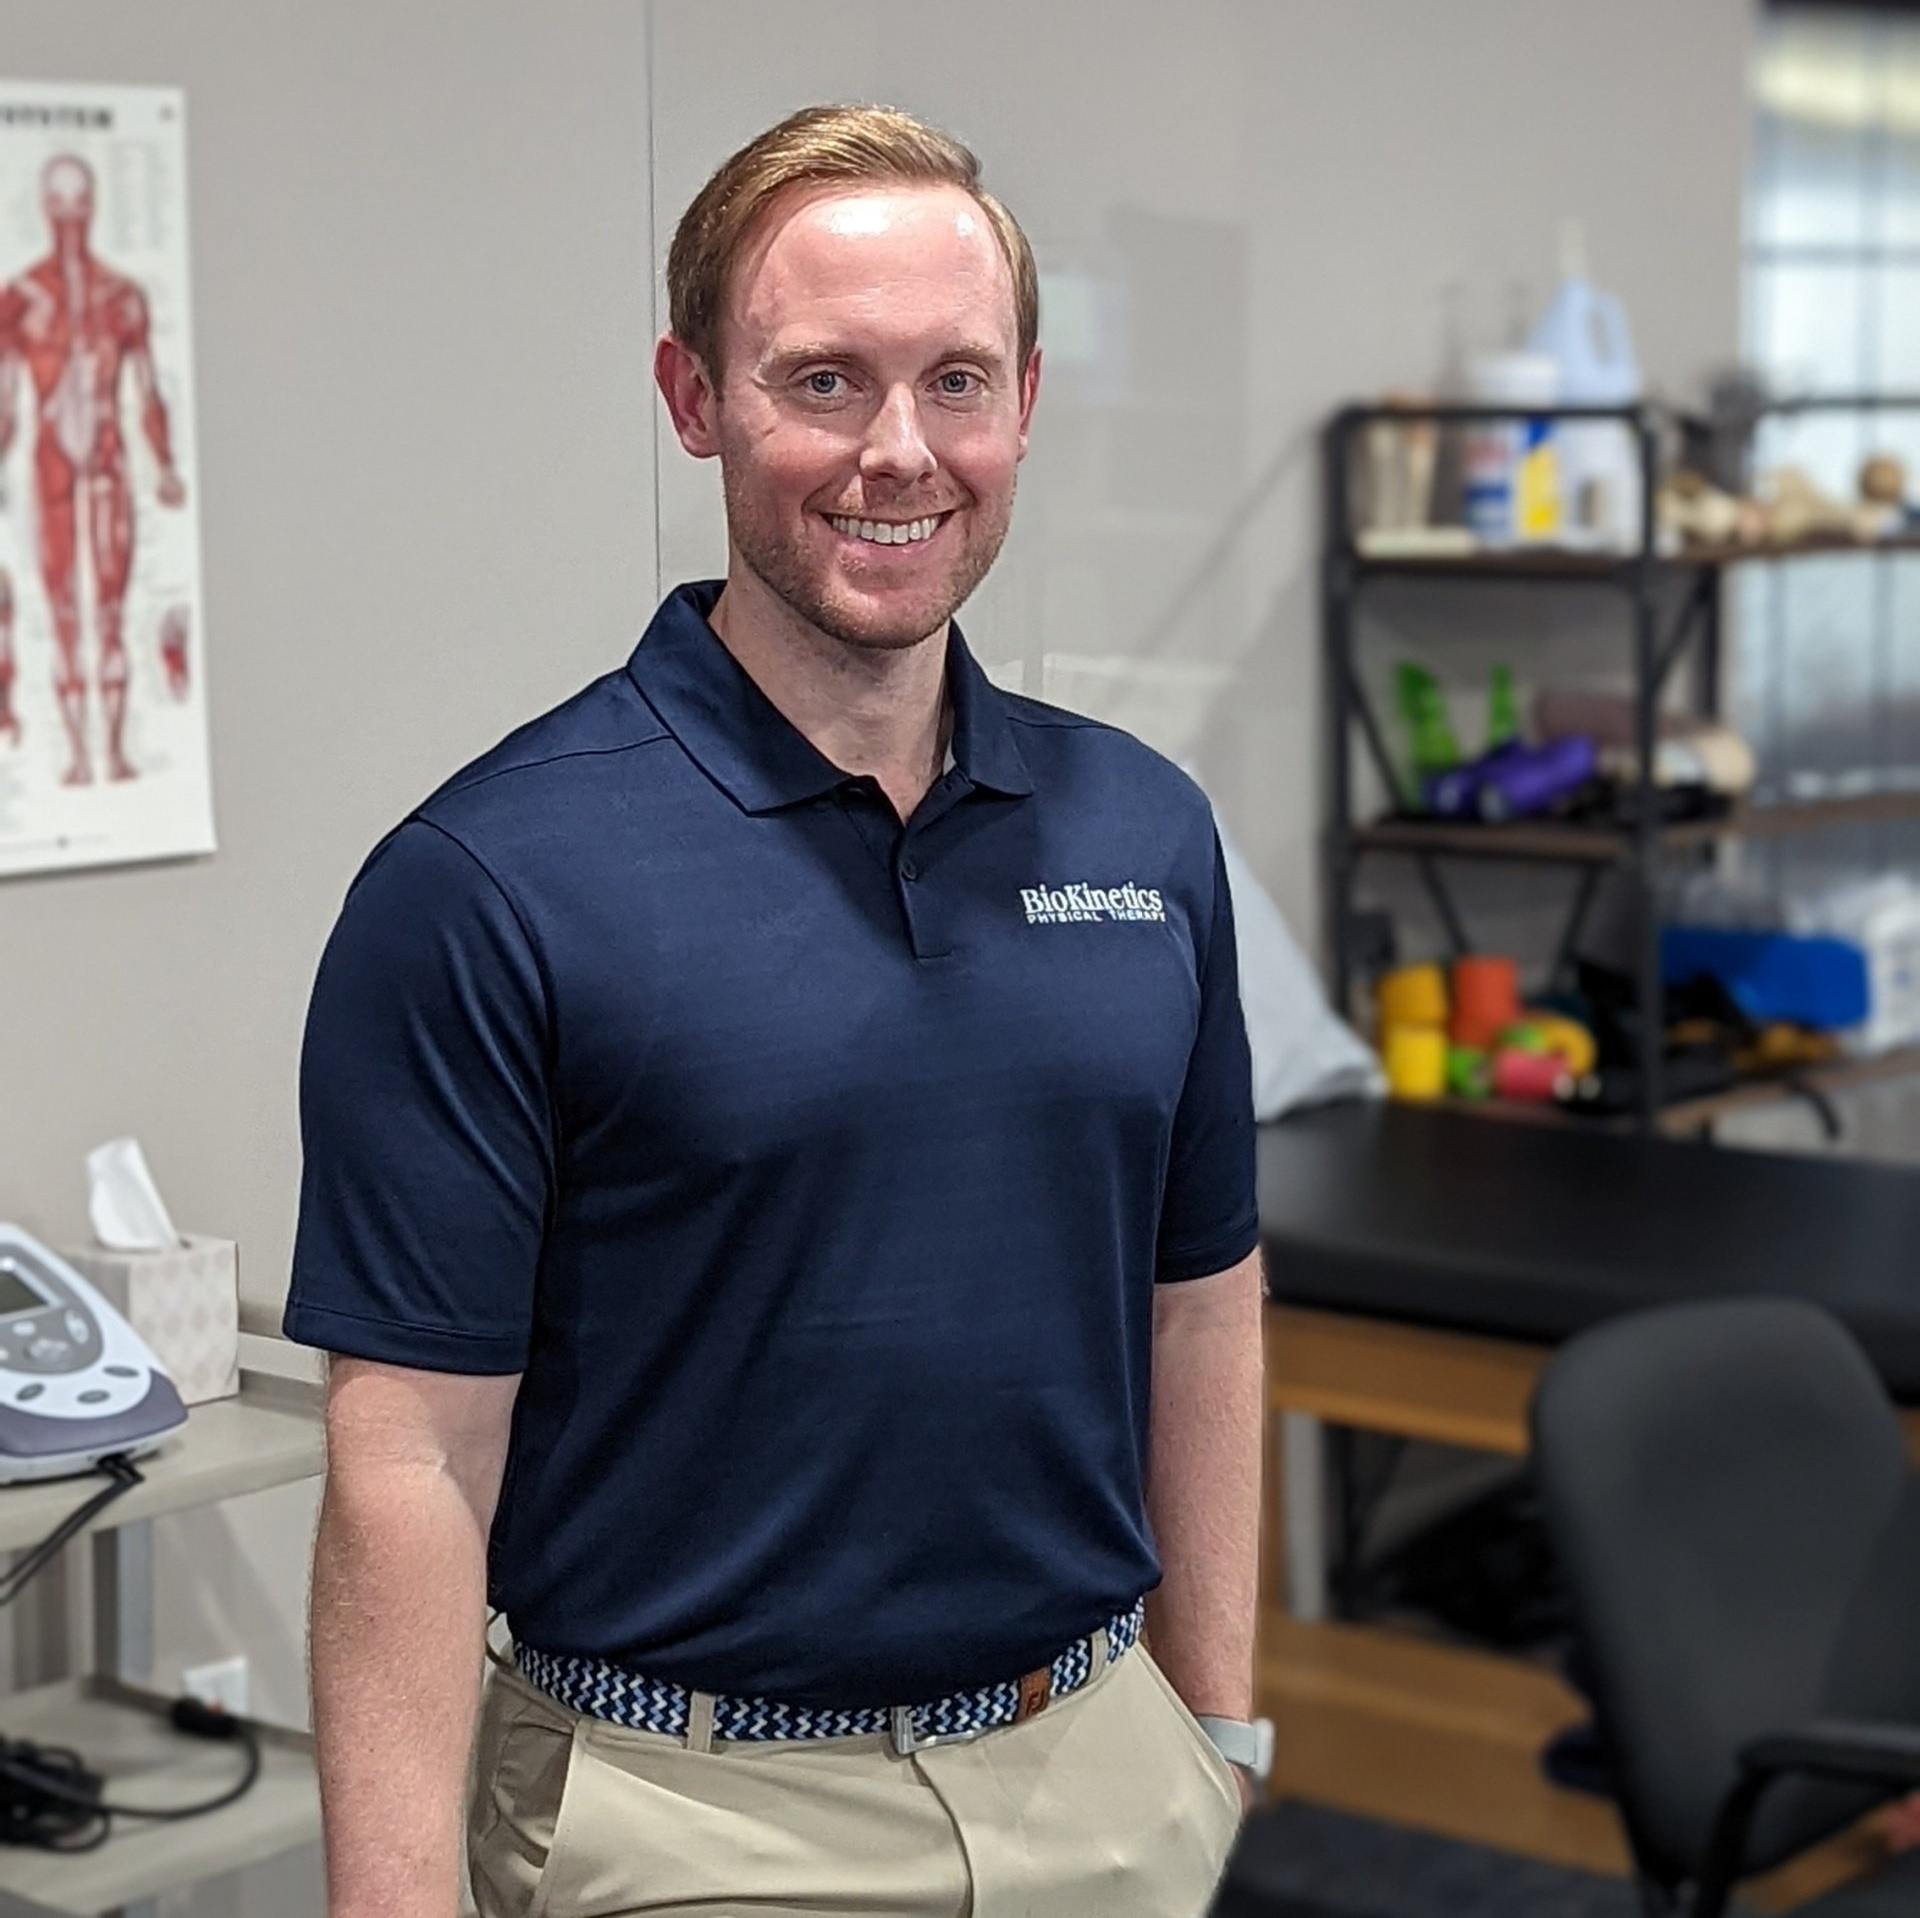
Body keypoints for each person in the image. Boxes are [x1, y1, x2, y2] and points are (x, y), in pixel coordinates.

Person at [285, 103, 1266, 1918]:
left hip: (1107, 1776)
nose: (900, 452)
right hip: (690, 1820)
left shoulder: (1145, 830)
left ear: (1028, 399)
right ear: (692, 396)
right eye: (823, 379)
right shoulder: (489, 883)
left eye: (955, 379)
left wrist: (1214, 1728)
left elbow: (1200, 1305)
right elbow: (409, 1458)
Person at [0, 154, 188, 784]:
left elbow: (147, 389)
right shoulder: (21, 299)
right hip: (51, 470)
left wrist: (163, 464)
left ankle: (112, 753)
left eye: (79, 204)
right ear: (48, 210)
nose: (71, 219)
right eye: (61, 205)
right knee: (62, 616)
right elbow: (5, 401)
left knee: (107, 615)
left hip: (109, 469)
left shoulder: (121, 298)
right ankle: (80, 756)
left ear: (93, 206)